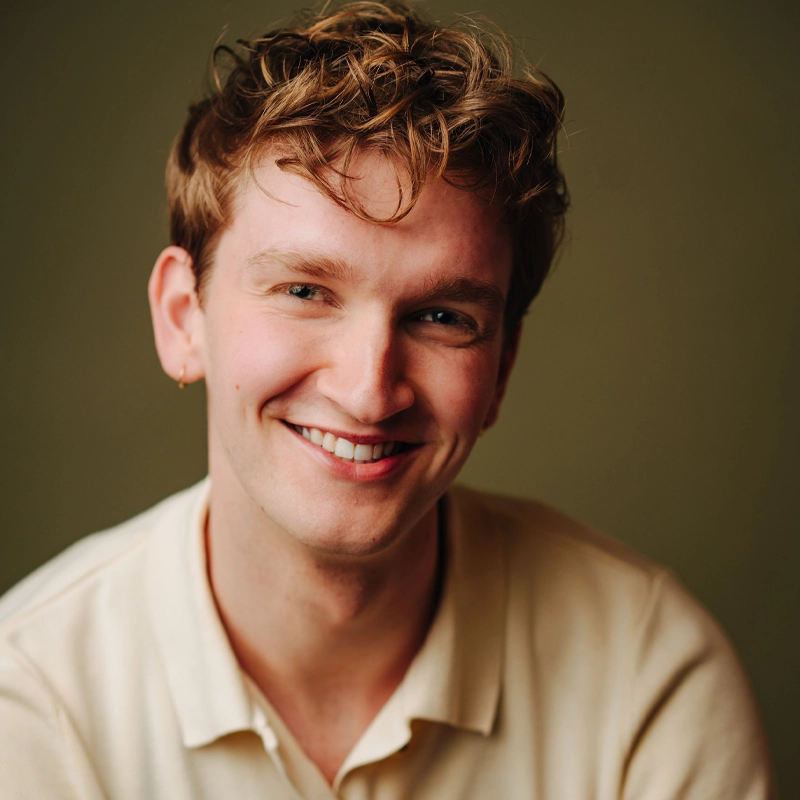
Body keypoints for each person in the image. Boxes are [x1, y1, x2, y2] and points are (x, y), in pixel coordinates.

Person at [0, 1, 774, 797]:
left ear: (502, 368)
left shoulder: (646, 674)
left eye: (443, 317)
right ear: (181, 319)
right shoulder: (32, 700)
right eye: (305, 290)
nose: (370, 392)